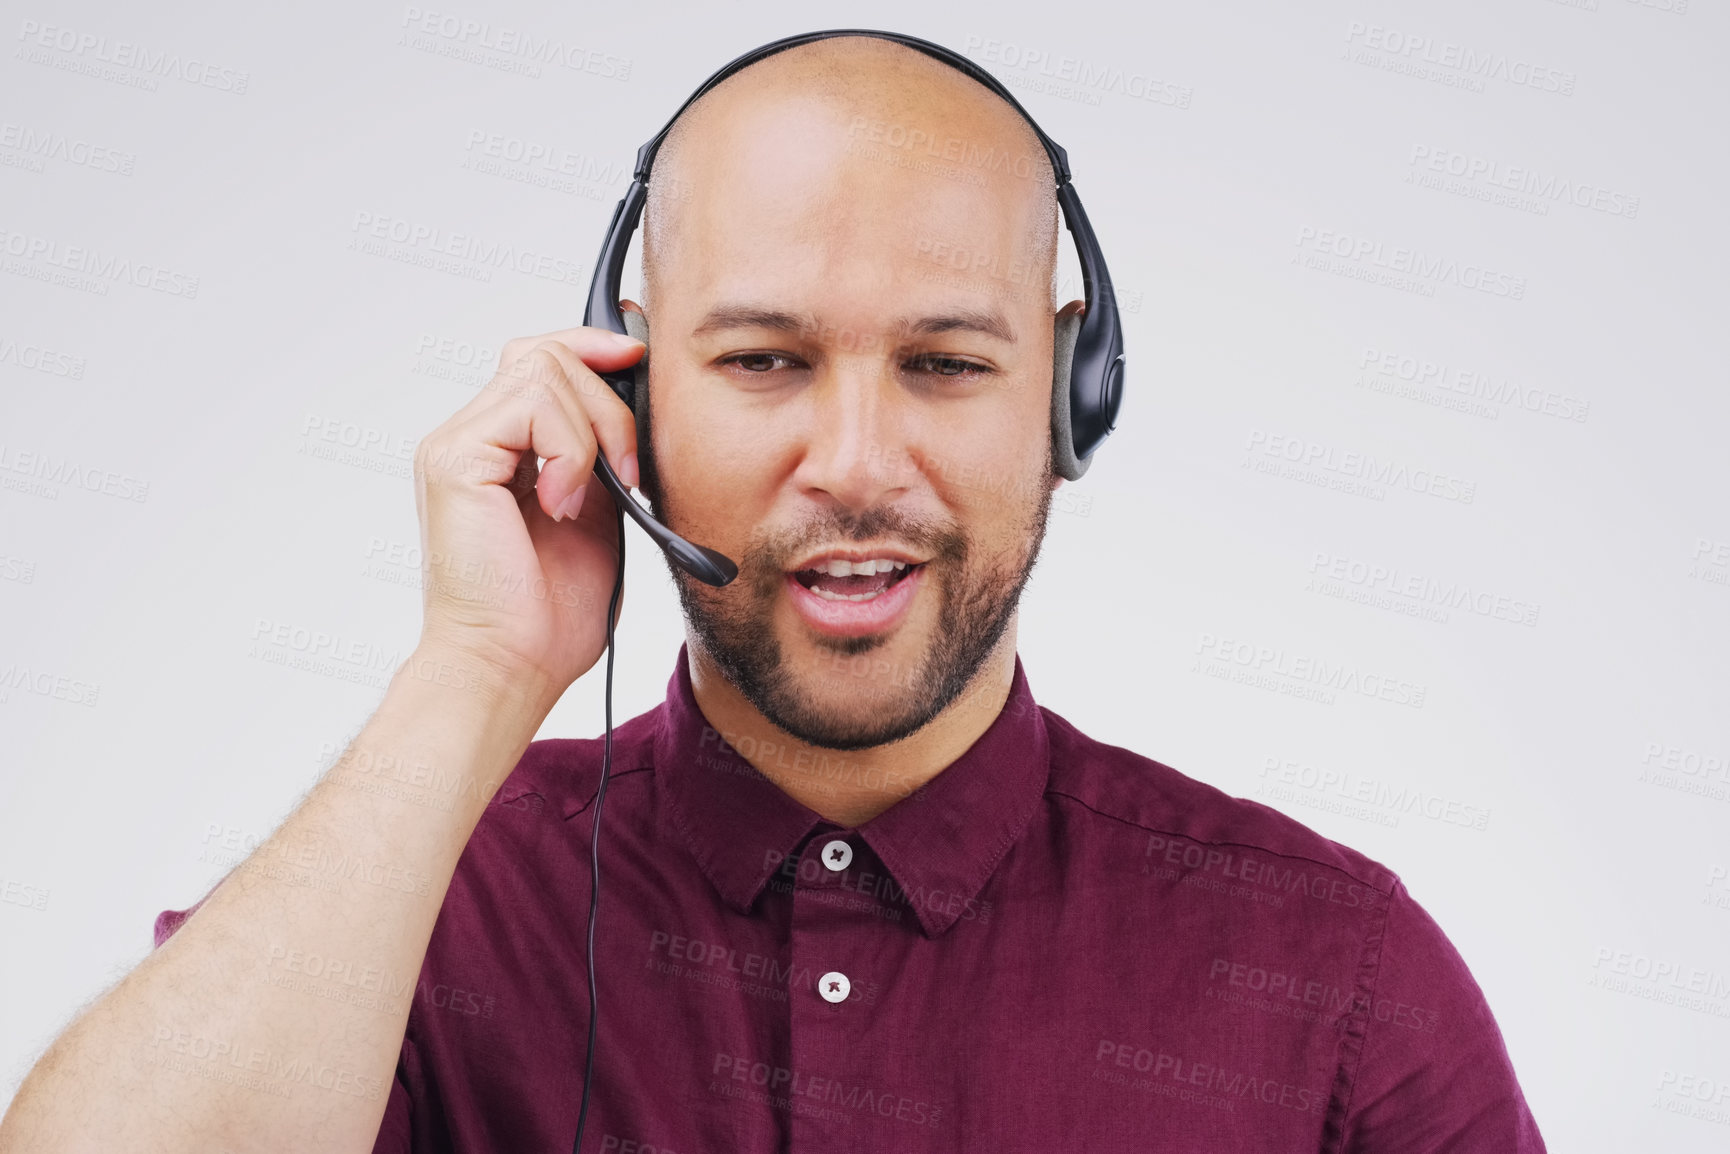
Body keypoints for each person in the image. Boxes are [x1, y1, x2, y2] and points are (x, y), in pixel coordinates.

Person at [0, 33, 1546, 1153]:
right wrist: (475, 663)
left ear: (1072, 403)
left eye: (944, 362)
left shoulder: (1329, 978)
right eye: (761, 361)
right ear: (631, 383)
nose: (856, 463)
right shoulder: (417, 913)